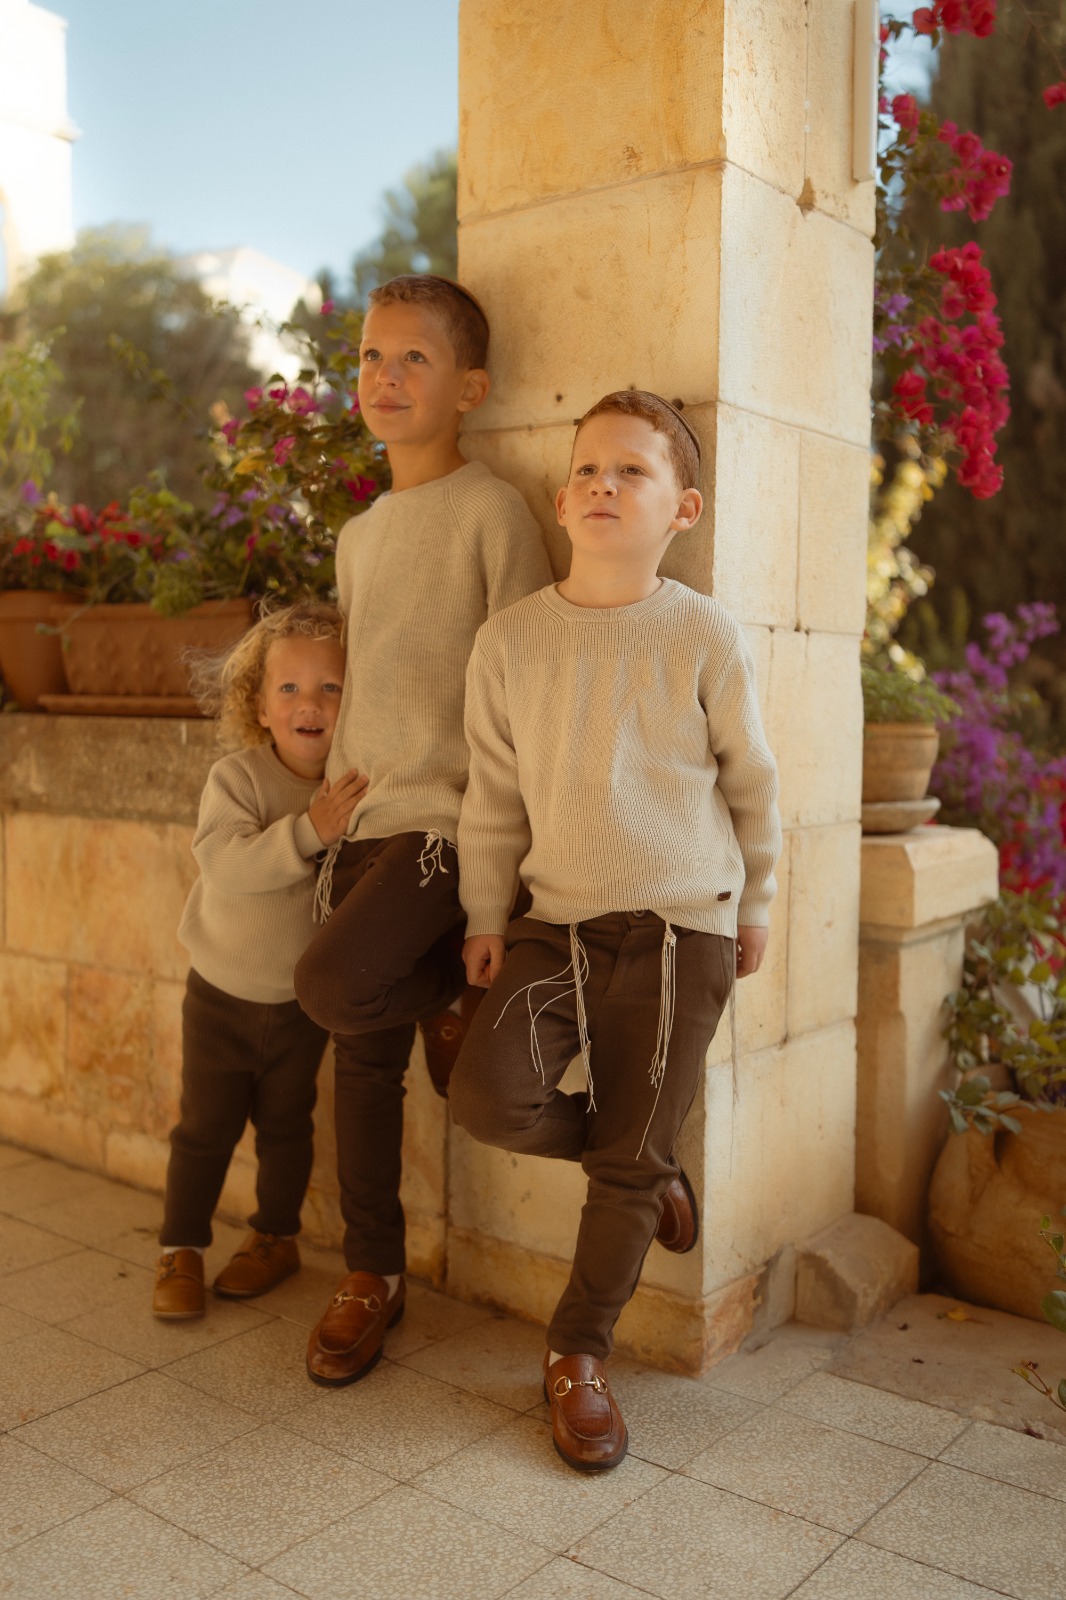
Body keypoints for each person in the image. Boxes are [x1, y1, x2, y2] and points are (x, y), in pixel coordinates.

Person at [450, 390, 782, 1471]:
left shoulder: (702, 631)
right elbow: (491, 797)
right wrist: (485, 913)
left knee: (627, 1164)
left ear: (682, 509)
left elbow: (753, 783)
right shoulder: (509, 641)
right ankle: (643, 1162)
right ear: (560, 500)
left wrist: (757, 902)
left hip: (685, 928)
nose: (603, 484)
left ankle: (577, 1354)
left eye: (631, 470)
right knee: (489, 1094)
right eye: (588, 468)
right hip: (557, 922)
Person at [293, 273, 554, 1386]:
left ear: (470, 389)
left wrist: (508, 855)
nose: (384, 377)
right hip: (362, 825)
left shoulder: (493, 512)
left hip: (444, 829)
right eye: (369, 356)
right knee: (359, 1060)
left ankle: (450, 993)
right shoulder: (359, 535)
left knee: (328, 984)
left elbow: (527, 686)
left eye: (414, 359)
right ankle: (373, 1274)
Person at [152, 602, 365, 1321]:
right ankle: (181, 1247)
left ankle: (275, 1238)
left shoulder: (352, 788)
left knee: (286, 1128)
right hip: (220, 994)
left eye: (331, 687)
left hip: (299, 1006)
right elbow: (225, 863)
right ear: (260, 706)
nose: (310, 704)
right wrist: (309, 831)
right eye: (290, 688)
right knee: (204, 1129)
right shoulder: (238, 778)